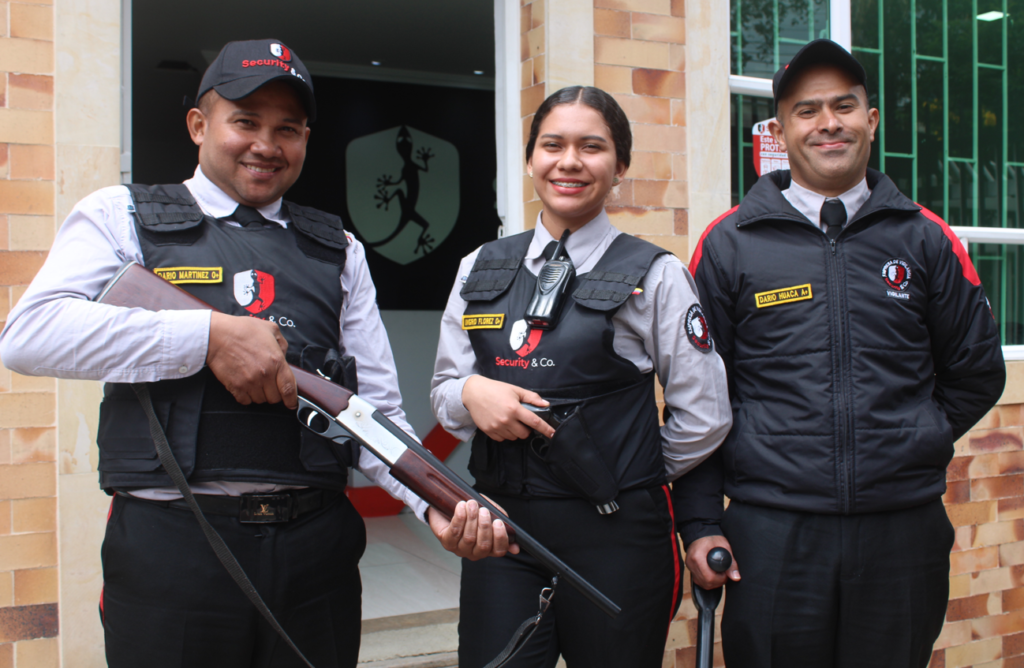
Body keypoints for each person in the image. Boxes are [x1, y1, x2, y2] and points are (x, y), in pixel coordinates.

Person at [0, 38, 508, 668]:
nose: (266, 144)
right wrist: (208, 337)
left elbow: (373, 413)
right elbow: (29, 334)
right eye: (245, 121)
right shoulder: (120, 215)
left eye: (287, 129)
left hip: (314, 552)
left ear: (305, 140)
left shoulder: (340, 249)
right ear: (199, 125)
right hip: (173, 549)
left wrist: (433, 503)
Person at [676, 39, 1006, 668]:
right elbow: (699, 393)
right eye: (807, 110)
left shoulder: (926, 237)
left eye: (844, 106)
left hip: (901, 532)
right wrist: (699, 523)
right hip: (771, 535)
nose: (828, 123)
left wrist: (912, 433)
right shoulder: (729, 242)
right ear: (780, 132)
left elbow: (976, 370)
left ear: (871, 120)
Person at [431, 86, 733, 668]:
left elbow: (706, 415)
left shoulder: (656, 275)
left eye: (591, 147)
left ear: (620, 166)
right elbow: (444, 393)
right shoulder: (478, 267)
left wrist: (625, 472)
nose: (569, 162)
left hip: (618, 538)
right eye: (552, 145)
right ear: (530, 159)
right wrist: (470, 391)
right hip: (504, 533)